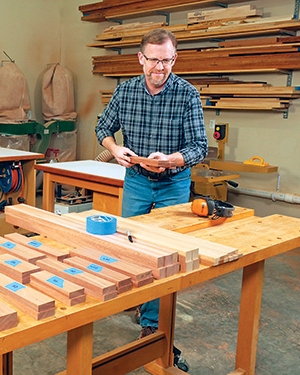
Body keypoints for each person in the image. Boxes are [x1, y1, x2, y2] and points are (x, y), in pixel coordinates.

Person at [95, 28, 207, 370]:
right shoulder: (125, 91)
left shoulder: (187, 94)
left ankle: (154, 325)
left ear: (175, 58)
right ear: (141, 58)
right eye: (155, 60)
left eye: (168, 60)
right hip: (137, 181)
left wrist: (170, 159)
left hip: (173, 182)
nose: (161, 67)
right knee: (129, 246)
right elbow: (103, 128)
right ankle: (138, 300)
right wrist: (115, 150)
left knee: (164, 253)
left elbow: (198, 147)